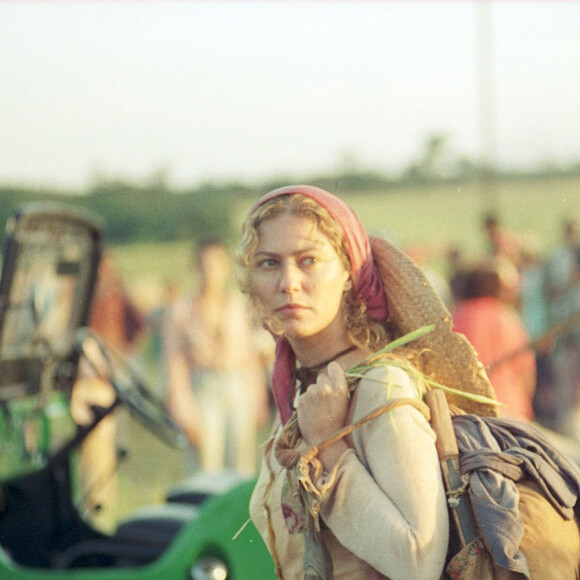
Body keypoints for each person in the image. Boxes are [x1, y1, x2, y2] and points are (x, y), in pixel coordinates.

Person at [237, 186, 463, 579]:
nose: (288, 282)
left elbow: (418, 563)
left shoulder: (382, 387)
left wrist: (328, 447)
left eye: (308, 261)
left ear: (347, 271)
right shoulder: (300, 392)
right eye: (268, 263)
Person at [163, 238, 269, 475]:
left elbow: (249, 356)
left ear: (226, 268)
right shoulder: (182, 309)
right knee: (204, 460)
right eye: (204, 265)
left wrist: (258, 398)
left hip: (236, 385)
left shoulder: (237, 306)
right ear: (195, 267)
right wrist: (183, 409)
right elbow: (174, 363)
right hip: (202, 386)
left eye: (216, 265)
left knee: (240, 459)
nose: (210, 272)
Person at [451, 260, 537, 421]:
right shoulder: (508, 318)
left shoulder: (456, 316)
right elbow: (526, 373)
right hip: (509, 407)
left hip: (467, 410)